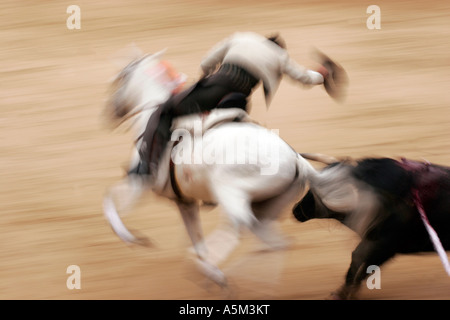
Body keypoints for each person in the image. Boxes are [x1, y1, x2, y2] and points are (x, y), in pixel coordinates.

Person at [129, 31, 328, 180]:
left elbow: (207, 62)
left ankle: (146, 165)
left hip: (215, 89)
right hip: (238, 102)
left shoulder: (242, 37)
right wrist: (322, 74)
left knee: (165, 110)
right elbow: (305, 77)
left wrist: (204, 79)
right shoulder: (281, 57)